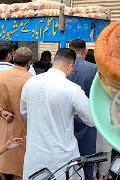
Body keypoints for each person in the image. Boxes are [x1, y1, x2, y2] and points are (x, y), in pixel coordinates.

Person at [21, 48, 94, 180]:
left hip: (35, 155)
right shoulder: (72, 89)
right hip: (61, 158)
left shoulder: (30, 82)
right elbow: (91, 119)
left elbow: (24, 111)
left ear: (54, 61)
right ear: (71, 66)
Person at [0, 47, 33, 180]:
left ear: (13, 58)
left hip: (2, 127)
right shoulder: (32, 81)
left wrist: (1, 111)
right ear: (29, 63)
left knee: (1, 164)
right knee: (19, 167)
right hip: (23, 129)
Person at [68, 39, 98, 180]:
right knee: (88, 161)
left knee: (68, 164)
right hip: (88, 122)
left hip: (67, 121)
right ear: (85, 51)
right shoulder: (93, 69)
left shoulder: (63, 69)